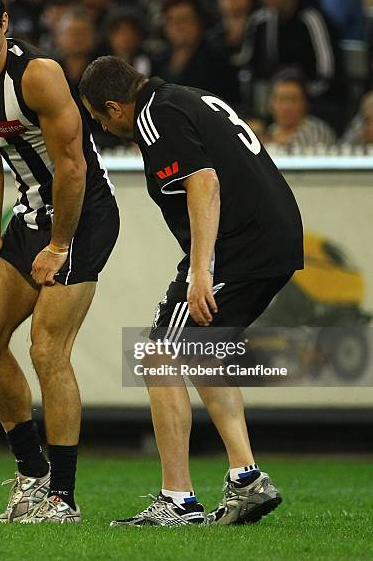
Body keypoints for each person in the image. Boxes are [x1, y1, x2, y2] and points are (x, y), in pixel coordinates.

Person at [79, 56, 303, 526]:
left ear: (115, 107)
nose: (102, 126)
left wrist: (201, 269)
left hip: (241, 244)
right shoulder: (188, 97)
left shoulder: (154, 116)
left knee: (158, 354)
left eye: (99, 117)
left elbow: (203, 182)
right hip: (273, 236)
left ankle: (177, 501)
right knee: (200, 351)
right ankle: (246, 479)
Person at [0, 0, 119, 524]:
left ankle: (62, 497)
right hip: (30, 215)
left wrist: (60, 244)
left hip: (82, 216)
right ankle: (31, 475)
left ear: (5, 23)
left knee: (47, 350)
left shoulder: (37, 75)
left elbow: (73, 165)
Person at [240, 0, 345, 127]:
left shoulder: (312, 18)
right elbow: (248, 73)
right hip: (272, 105)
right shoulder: (258, 21)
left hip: (314, 105)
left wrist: (298, 100)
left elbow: (327, 75)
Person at [266, 70, 336, 148]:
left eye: (293, 99)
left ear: (304, 103)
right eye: (281, 99)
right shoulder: (269, 132)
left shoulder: (319, 133)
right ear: (271, 103)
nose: (287, 106)